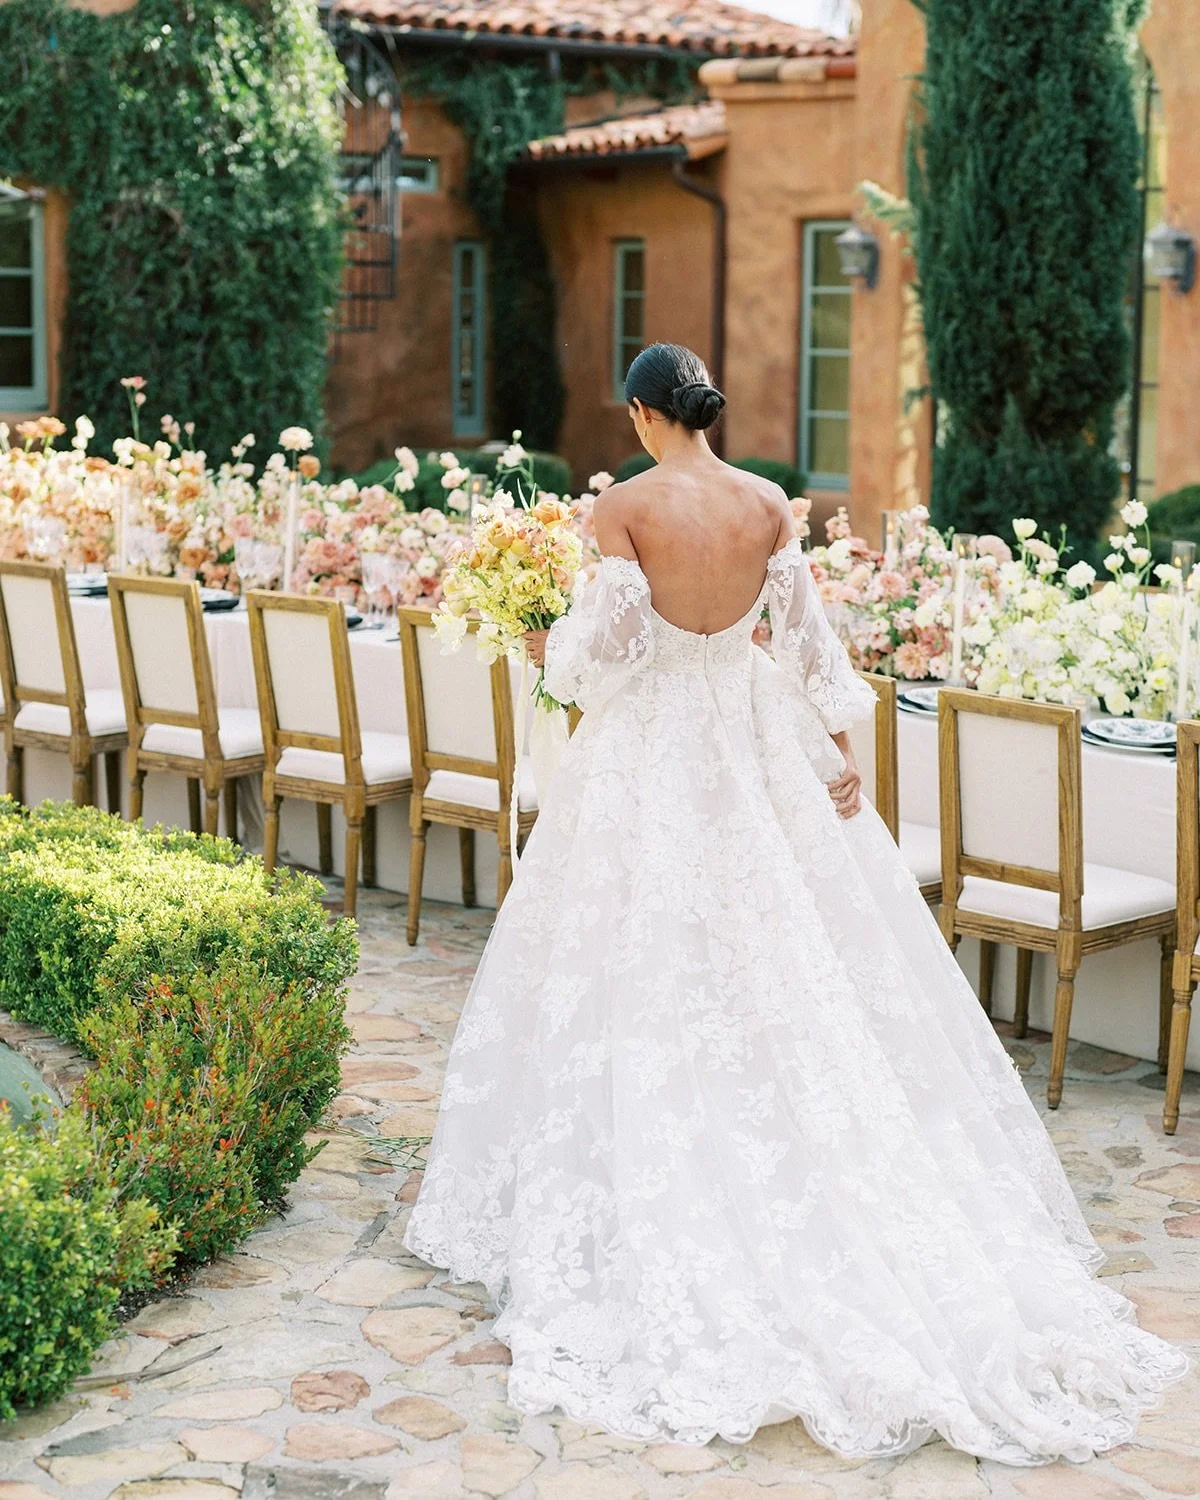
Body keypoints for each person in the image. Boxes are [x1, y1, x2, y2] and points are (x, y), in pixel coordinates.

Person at [403, 342, 1186, 1461]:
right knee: (785, 956)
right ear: (704, 410)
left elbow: (602, 657)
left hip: (654, 753)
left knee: (641, 957)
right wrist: (828, 747)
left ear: (639, 413)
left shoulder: (618, 510)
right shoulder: (768, 502)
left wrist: (545, 647)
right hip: (756, 735)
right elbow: (814, 651)